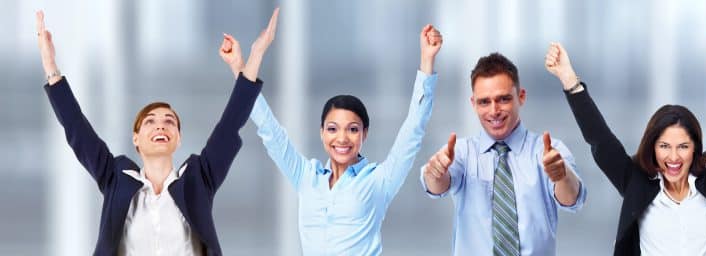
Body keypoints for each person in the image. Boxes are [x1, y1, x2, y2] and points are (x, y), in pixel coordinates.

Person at [37, 8, 278, 255]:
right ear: (136, 139)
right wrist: (50, 65)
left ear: (178, 138)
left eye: (169, 121)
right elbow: (76, 128)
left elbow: (230, 125)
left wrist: (255, 55)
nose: (161, 125)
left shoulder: (198, 178)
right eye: (150, 122)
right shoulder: (115, 177)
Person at [547, 37, 706, 255]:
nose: (674, 157)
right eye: (665, 146)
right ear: (652, 147)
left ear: (695, 148)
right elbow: (600, 140)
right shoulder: (636, 183)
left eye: (683, 147)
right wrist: (568, 78)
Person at [221, 23, 443, 255]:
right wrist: (238, 66)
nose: (342, 138)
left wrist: (427, 61)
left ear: (364, 134)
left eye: (353, 129)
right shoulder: (307, 177)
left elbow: (413, 130)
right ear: (322, 132)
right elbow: (269, 129)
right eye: (333, 129)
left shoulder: (378, 182)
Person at [420, 52, 586, 256]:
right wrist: (435, 173)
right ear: (473, 104)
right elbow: (437, 186)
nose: (494, 110)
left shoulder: (548, 151)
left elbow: (572, 199)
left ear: (521, 97)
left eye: (503, 99)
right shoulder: (462, 152)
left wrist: (562, 175)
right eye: (484, 102)